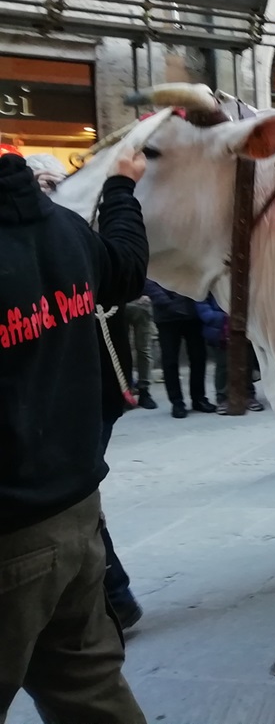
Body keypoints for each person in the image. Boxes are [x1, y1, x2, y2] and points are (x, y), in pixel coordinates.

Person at [0, 148, 148, 722]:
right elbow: (126, 266)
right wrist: (119, 190)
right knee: (89, 694)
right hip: (75, 515)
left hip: (12, 532)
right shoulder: (58, 226)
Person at [25, 155, 146, 632]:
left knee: (74, 498)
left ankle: (109, 595)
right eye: (45, 183)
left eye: (57, 182)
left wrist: (118, 189)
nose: (53, 191)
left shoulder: (72, 235)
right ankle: (111, 596)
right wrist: (119, 188)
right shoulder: (66, 233)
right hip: (66, 395)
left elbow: (126, 265)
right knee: (77, 495)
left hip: (83, 394)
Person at [144, 280, 215, 418]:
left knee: (198, 357)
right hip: (166, 316)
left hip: (192, 312)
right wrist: (166, 302)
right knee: (170, 361)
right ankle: (177, 403)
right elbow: (149, 280)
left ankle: (199, 398)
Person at [195, 294, 264, 414]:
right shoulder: (212, 282)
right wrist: (222, 318)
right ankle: (223, 397)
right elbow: (202, 306)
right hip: (219, 329)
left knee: (247, 362)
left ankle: (248, 395)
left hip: (244, 325)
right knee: (223, 365)